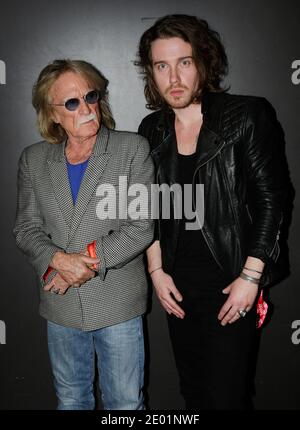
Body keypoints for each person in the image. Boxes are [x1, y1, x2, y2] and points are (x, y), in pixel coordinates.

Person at [136, 14, 288, 409]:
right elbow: (147, 207)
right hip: (177, 286)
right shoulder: (152, 129)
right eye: (161, 65)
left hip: (231, 281)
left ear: (203, 62)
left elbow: (273, 199)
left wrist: (250, 279)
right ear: (150, 73)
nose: (174, 77)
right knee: (193, 393)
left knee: (227, 396)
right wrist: (156, 270)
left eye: (184, 62)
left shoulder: (246, 116)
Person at [13, 59, 154, 410]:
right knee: (71, 400)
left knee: (124, 404)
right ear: (53, 113)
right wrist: (59, 261)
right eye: (72, 103)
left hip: (116, 303)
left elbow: (140, 228)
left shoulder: (131, 149)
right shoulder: (33, 159)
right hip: (59, 305)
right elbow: (26, 228)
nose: (87, 108)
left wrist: (81, 266)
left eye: (90, 96)